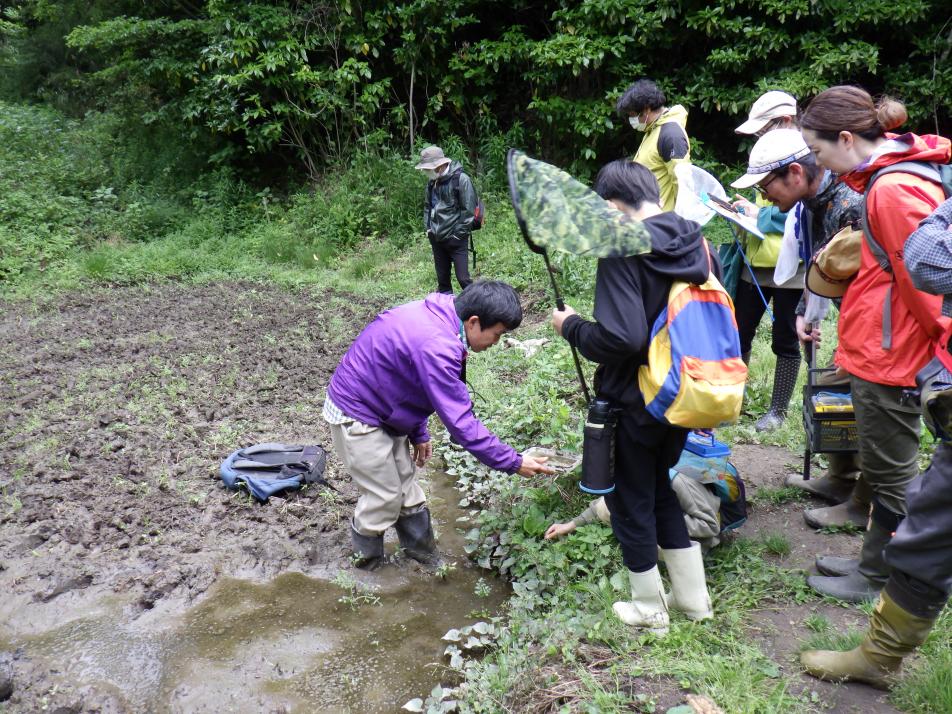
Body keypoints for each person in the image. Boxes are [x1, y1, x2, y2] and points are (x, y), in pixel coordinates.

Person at [796, 86, 950, 602]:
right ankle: (872, 563)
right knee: (887, 470)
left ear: (845, 138)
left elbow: (928, 283)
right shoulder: (886, 179)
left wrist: (941, 350)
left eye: (818, 152)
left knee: (894, 474)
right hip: (881, 348)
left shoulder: (893, 190)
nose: (821, 165)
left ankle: (884, 577)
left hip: (894, 355)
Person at [551, 160, 715, 636]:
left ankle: (649, 609)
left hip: (636, 397)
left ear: (611, 205)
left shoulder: (624, 249)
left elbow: (622, 338)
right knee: (659, 488)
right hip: (685, 394)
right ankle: (693, 601)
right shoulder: (694, 239)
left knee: (628, 500)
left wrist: (573, 327)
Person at [800, 196, 952, 688]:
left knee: (921, 506)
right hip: (894, 357)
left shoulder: (896, 186)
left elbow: (926, 261)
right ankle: (879, 652)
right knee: (928, 512)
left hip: (897, 357)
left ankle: (876, 604)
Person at [324, 280, 553, 569]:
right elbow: (461, 424)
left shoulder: (445, 316)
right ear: (474, 322)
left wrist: (418, 431)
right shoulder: (438, 345)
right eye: (496, 335)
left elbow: (410, 378)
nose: (496, 343)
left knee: (406, 490)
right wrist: (514, 461)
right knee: (383, 496)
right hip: (358, 413)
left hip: (385, 407)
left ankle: (423, 556)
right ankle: (368, 569)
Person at [730, 128, 868, 529]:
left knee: (871, 404)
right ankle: (840, 480)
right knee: (838, 389)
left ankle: (864, 503)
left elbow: (874, 278)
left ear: (794, 172)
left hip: (877, 321)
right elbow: (821, 262)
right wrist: (808, 309)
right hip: (851, 315)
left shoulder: (850, 204)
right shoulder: (810, 206)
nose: (763, 195)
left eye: (765, 185)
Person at [730, 95, 805, 432]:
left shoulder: (802, 158)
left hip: (792, 271)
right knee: (739, 332)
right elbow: (770, 208)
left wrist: (760, 215)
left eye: (765, 127)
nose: (760, 136)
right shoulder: (766, 155)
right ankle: (731, 400)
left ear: (786, 120)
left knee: (785, 339)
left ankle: (778, 412)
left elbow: (789, 216)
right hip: (756, 263)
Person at [616, 79, 690, 212]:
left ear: (646, 110)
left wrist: (681, 226)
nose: (631, 120)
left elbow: (683, 184)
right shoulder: (653, 129)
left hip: (661, 221)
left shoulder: (670, 134)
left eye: (632, 115)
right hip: (646, 217)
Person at [415, 145, 477, 294]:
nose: (426, 172)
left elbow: (468, 211)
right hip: (437, 238)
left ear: (440, 165)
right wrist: (429, 229)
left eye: (428, 168)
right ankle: (446, 314)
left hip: (456, 239)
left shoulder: (461, 180)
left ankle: (481, 309)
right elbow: (427, 206)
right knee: (443, 283)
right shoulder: (432, 183)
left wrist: (457, 236)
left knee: (463, 279)